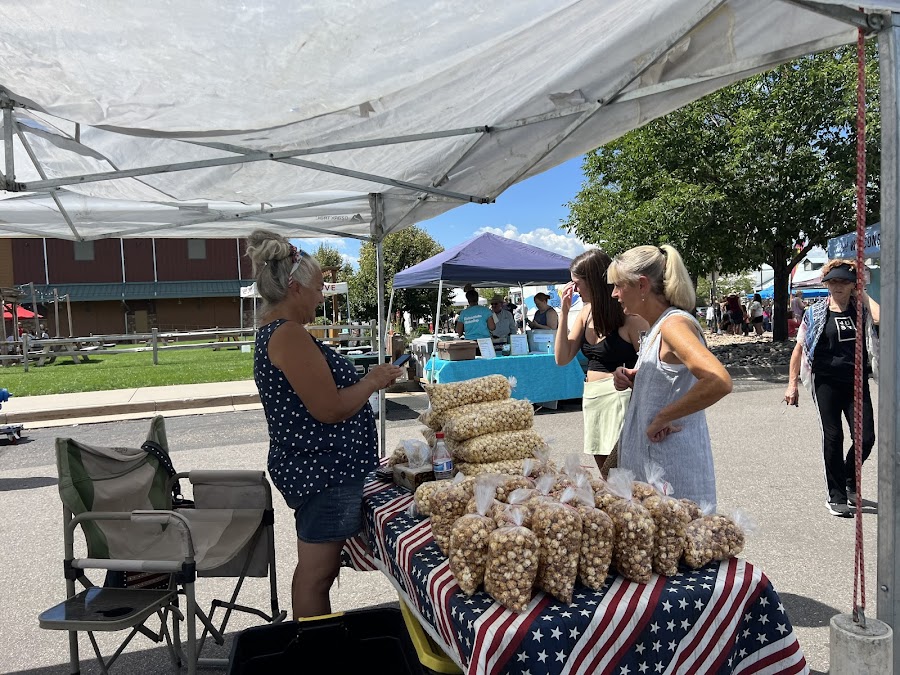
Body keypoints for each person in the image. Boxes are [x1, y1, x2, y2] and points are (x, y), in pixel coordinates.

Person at [247, 229, 403, 618]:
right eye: (318, 289)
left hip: (318, 469)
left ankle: (316, 639)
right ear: (295, 288)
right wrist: (372, 381)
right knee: (317, 574)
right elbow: (329, 409)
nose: (321, 297)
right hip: (323, 471)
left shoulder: (280, 332)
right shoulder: (288, 335)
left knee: (318, 571)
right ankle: (315, 644)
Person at [610, 245, 733, 505]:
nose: (615, 294)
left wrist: (663, 417)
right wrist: (638, 379)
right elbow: (674, 380)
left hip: (669, 472)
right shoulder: (660, 326)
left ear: (642, 285)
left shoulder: (673, 325)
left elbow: (718, 380)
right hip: (657, 467)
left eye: (619, 285)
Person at [783, 259, 879, 518]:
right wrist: (792, 384)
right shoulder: (815, 313)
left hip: (856, 381)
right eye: (832, 282)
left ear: (853, 285)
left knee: (866, 437)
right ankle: (836, 496)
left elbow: (881, 317)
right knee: (834, 437)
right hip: (825, 381)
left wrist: (863, 295)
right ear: (826, 284)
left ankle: (849, 479)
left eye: (844, 282)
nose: (837, 287)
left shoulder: (860, 310)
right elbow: (799, 349)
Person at [554, 249, 648, 472]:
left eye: (577, 283)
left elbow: (649, 365)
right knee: (607, 473)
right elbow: (562, 358)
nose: (574, 289)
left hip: (620, 399)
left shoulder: (630, 317)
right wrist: (564, 313)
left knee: (625, 473)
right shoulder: (585, 312)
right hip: (593, 398)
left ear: (594, 282)